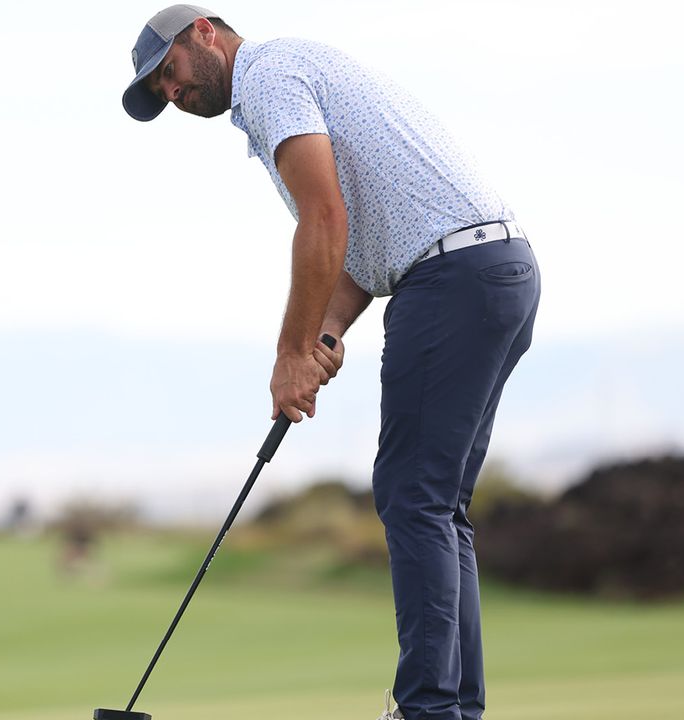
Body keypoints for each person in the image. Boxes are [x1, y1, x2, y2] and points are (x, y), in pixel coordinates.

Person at [121, 7, 540, 720]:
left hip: (450, 279)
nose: (172, 92)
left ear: (206, 33)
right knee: (437, 507)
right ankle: (452, 709)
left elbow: (325, 218)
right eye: (161, 91)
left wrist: (290, 353)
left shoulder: (269, 77)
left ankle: (430, 710)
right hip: (492, 270)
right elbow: (354, 252)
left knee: (413, 499)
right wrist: (324, 333)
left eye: (170, 73)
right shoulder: (280, 83)